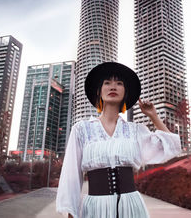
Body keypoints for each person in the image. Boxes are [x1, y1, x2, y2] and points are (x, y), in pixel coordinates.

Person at [56, 62, 181, 218]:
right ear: (99, 91)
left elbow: (170, 147)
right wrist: (71, 212)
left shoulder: (135, 131)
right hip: (95, 209)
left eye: (119, 83)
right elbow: (71, 174)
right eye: (107, 83)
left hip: (131, 207)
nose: (113, 87)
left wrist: (154, 116)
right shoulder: (81, 130)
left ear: (125, 92)